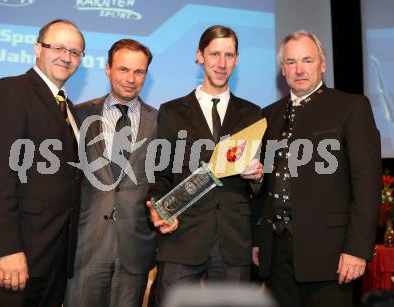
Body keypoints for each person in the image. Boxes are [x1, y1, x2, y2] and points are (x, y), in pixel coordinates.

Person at [0, 19, 85, 306]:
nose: (66, 57)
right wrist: (7, 250)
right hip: (13, 261)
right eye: (58, 47)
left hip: (50, 263)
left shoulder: (71, 111)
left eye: (75, 52)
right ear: (37, 49)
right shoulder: (10, 92)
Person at [255, 30, 381, 307]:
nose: (299, 69)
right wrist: (258, 241)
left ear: (322, 65)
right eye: (291, 62)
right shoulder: (268, 115)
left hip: (331, 255)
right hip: (276, 255)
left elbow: (367, 183)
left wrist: (357, 250)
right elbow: (263, 185)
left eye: (307, 60)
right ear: (282, 70)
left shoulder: (351, 107)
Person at [146, 25, 264, 306]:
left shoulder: (252, 113)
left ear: (237, 59)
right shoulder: (172, 111)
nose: (222, 63)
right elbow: (160, 174)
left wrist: (257, 177)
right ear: (200, 56)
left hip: (232, 241)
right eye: (214, 54)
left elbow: (262, 184)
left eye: (229, 55)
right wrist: (158, 208)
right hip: (181, 237)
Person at [64, 39, 157, 307]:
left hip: (135, 249)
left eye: (139, 72)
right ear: (107, 69)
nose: (131, 79)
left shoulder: (160, 121)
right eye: (123, 69)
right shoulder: (77, 115)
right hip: (86, 246)